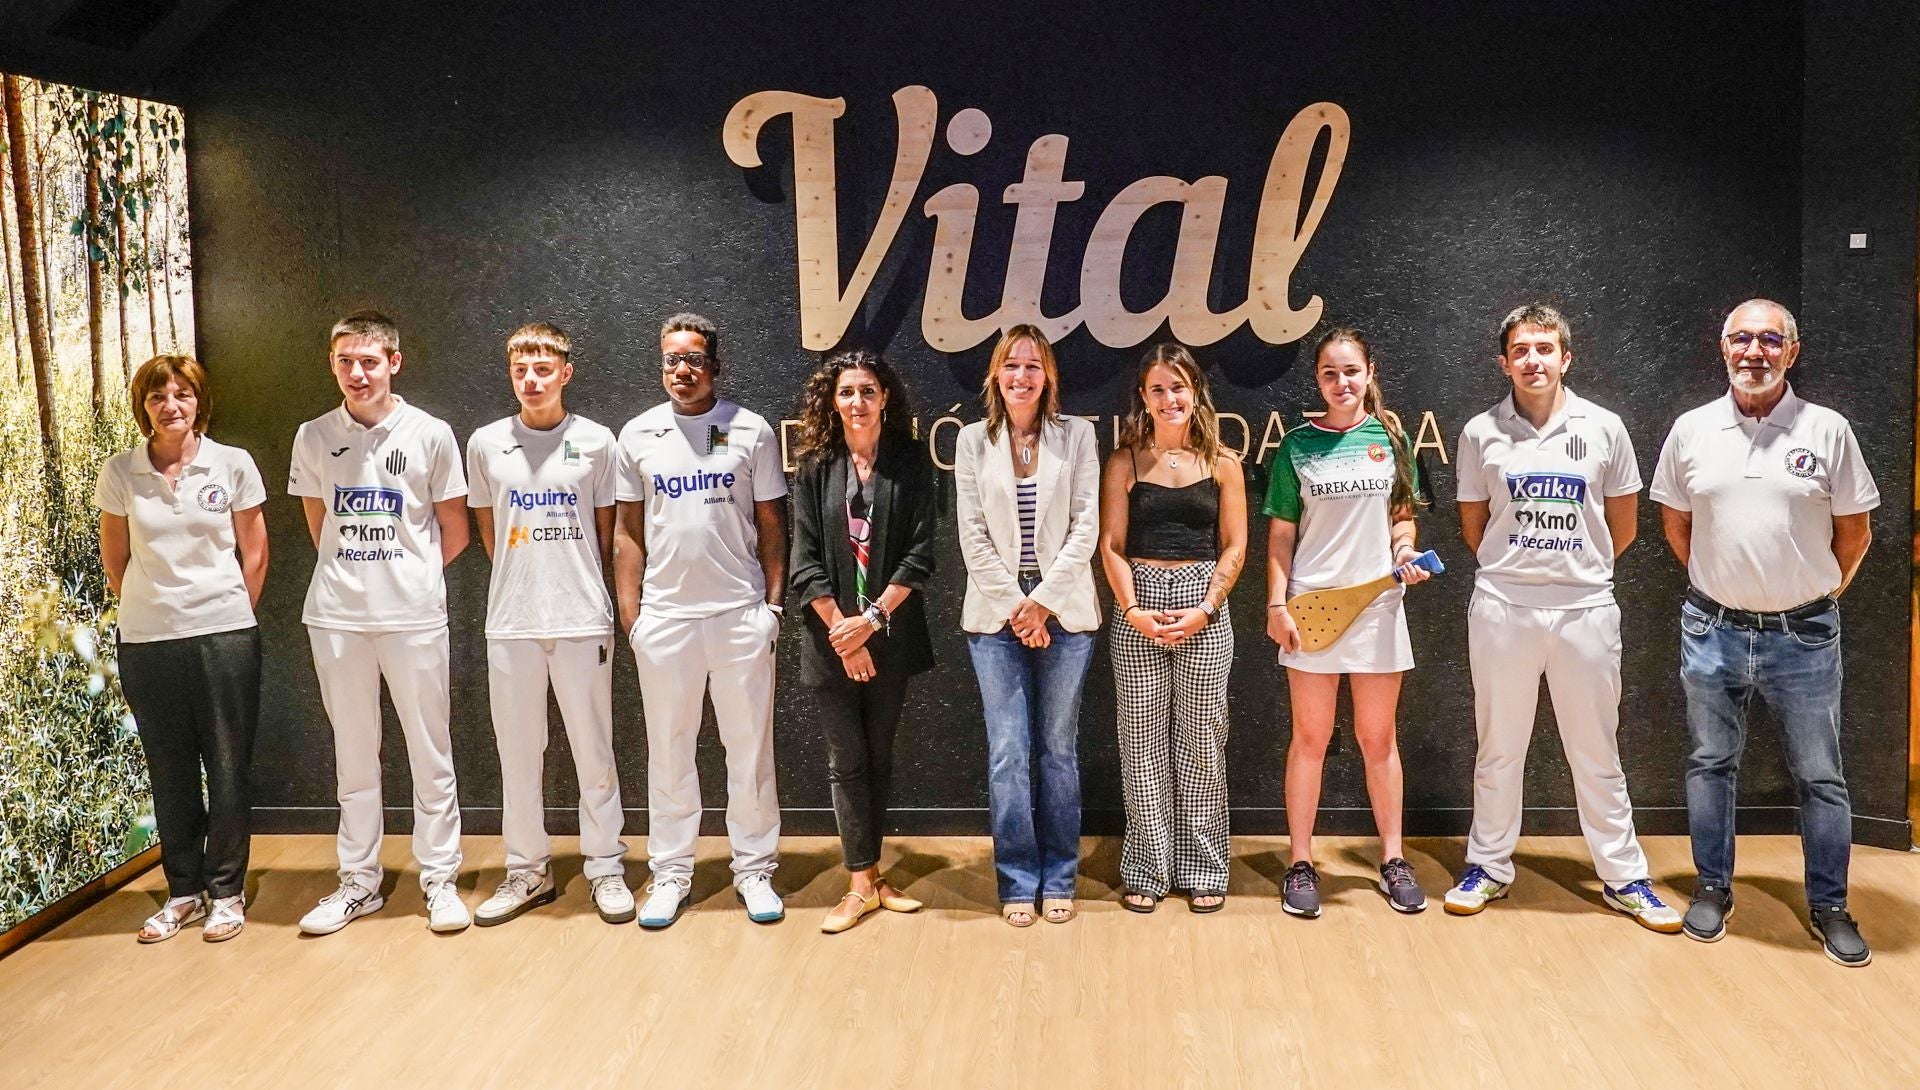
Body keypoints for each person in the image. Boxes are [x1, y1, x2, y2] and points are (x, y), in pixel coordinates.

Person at [1651, 298, 1878, 966]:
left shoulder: (1828, 430)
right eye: (1742, 339)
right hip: (1712, 629)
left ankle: (1830, 905)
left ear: (1792, 351)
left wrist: (1813, 594)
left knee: (1821, 776)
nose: (1755, 351)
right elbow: (1676, 523)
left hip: (1803, 636)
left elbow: (1856, 531)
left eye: (1770, 340)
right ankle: (1712, 888)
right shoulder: (1692, 430)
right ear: (1723, 347)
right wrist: (1722, 585)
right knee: (1710, 764)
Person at [1445, 305, 1680, 932]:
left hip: (1585, 611)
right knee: (1500, 748)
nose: (1533, 360)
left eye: (1544, 348)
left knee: (1596, 751)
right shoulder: (1480, 432)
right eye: (1521, 350)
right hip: (1503, 608)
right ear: (1504, 363)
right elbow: (1474, 527)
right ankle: (1488, 866)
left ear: (1565, 358)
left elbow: (1621, 527)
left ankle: (1624, 877)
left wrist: (1573, 573)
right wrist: (1523, 571)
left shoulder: (1604, 428)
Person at [289, 310, 473, 935]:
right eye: (345, 361)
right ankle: (358, 882)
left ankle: (440, 879)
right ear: (332, 364)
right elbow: (320, 527)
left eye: (369, 361)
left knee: (430, 751)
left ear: (394, 362)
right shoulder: (314, 435)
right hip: (337, 618)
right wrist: (359, 575)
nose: (357, 373)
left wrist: (406, 576)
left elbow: (454, 530)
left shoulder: (431, 433)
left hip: (413, 617)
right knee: (353, 754)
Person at [614, 312, 788, 929]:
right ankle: (670, 873)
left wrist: (772, 608)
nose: (681, 370)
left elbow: (772, 525)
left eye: (692, 359)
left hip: (740, 616)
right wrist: (632, 618)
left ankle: (755, 869)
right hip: (666, 621)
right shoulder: (637, 434)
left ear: (714, 364)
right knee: (668, 753)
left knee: (749, 752)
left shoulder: (750, 430)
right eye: (671, 360)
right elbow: (627, 532)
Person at [465, 323, 632, 926]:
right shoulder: (485, 443)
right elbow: (491, 534)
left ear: (565, 373)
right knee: (517, 753)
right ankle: (527, 869)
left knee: (594, 749)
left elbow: (607, 533)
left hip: (582, 617)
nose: (531, 380)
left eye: (542, 369)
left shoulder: (597, 441)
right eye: (520, 370)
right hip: (512, 621)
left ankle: (606, 866)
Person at [97, 355, 268, 943]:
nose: (171, 406)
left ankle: (227, 891)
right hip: (148, 640)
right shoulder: (120, 472)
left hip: (224, 634)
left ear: (200, 401)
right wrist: (155, 608)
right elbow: (116, 560)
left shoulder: (233, 464)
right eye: (157, 397)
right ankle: (184, 892)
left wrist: (226, 611)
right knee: (168, 767)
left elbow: (255, 553)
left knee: (227, 765)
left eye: (182, 395)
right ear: (143, 407)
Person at [1263, 328, 1431, 917]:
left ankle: (1393, 859)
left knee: (1378, 739)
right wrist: (1277, 605)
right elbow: (1281, 536)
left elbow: (1402, 518)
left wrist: (1405, 551)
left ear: (1369, 372)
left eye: (1351, 371)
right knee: (1310, 739)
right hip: (1310, 609)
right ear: (1318, 379)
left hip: (1378, 608)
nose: (1342, 383)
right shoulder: (1297, 447)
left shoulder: (1391, 438)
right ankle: (1300, 862)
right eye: (1330, 373)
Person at [788, 348, 938, 933]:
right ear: (833, 401)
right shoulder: (815, 465)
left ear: (885, 399)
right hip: (830, 642)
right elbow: (804, 561)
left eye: (868, 391)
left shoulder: (909, 461)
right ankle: (858, 883)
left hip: (889, 637)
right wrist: (843, 634)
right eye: (847, 391)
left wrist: (870, 623)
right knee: (846, 760)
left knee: (878, 757)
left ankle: (873, 878)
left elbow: (920, 554)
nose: (857, 401)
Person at [956, 326, 1101, 927]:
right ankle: (1017, 880)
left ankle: (1059, 875)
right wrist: (1019, 608)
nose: (1022, 376)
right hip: (996, 619)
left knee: (1058, 751)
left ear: (1049, 377)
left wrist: (1041, 603)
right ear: (996, 374)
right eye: (1012, 365)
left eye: (1033, 366)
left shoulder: (1078, 435)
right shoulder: (972, 440)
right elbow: (972, 536)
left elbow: (1086, 527)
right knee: (1008, 754)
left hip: (1065, 613)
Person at [1098, 343, 1247, 914]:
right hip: (1138, 606)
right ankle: (1147, 868)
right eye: (1157, 389)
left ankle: (1204, 867)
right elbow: (1111, 545)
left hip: (1203, 607)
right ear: (1143, 396)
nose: (1169, 399)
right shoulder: (1125, 462)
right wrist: (1133, 609)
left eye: (1178, 387)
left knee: (1202, 743)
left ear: (1195, 391)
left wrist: (1205, 608)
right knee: (1140, 745)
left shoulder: (1224, 463)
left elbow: (1234, 545)